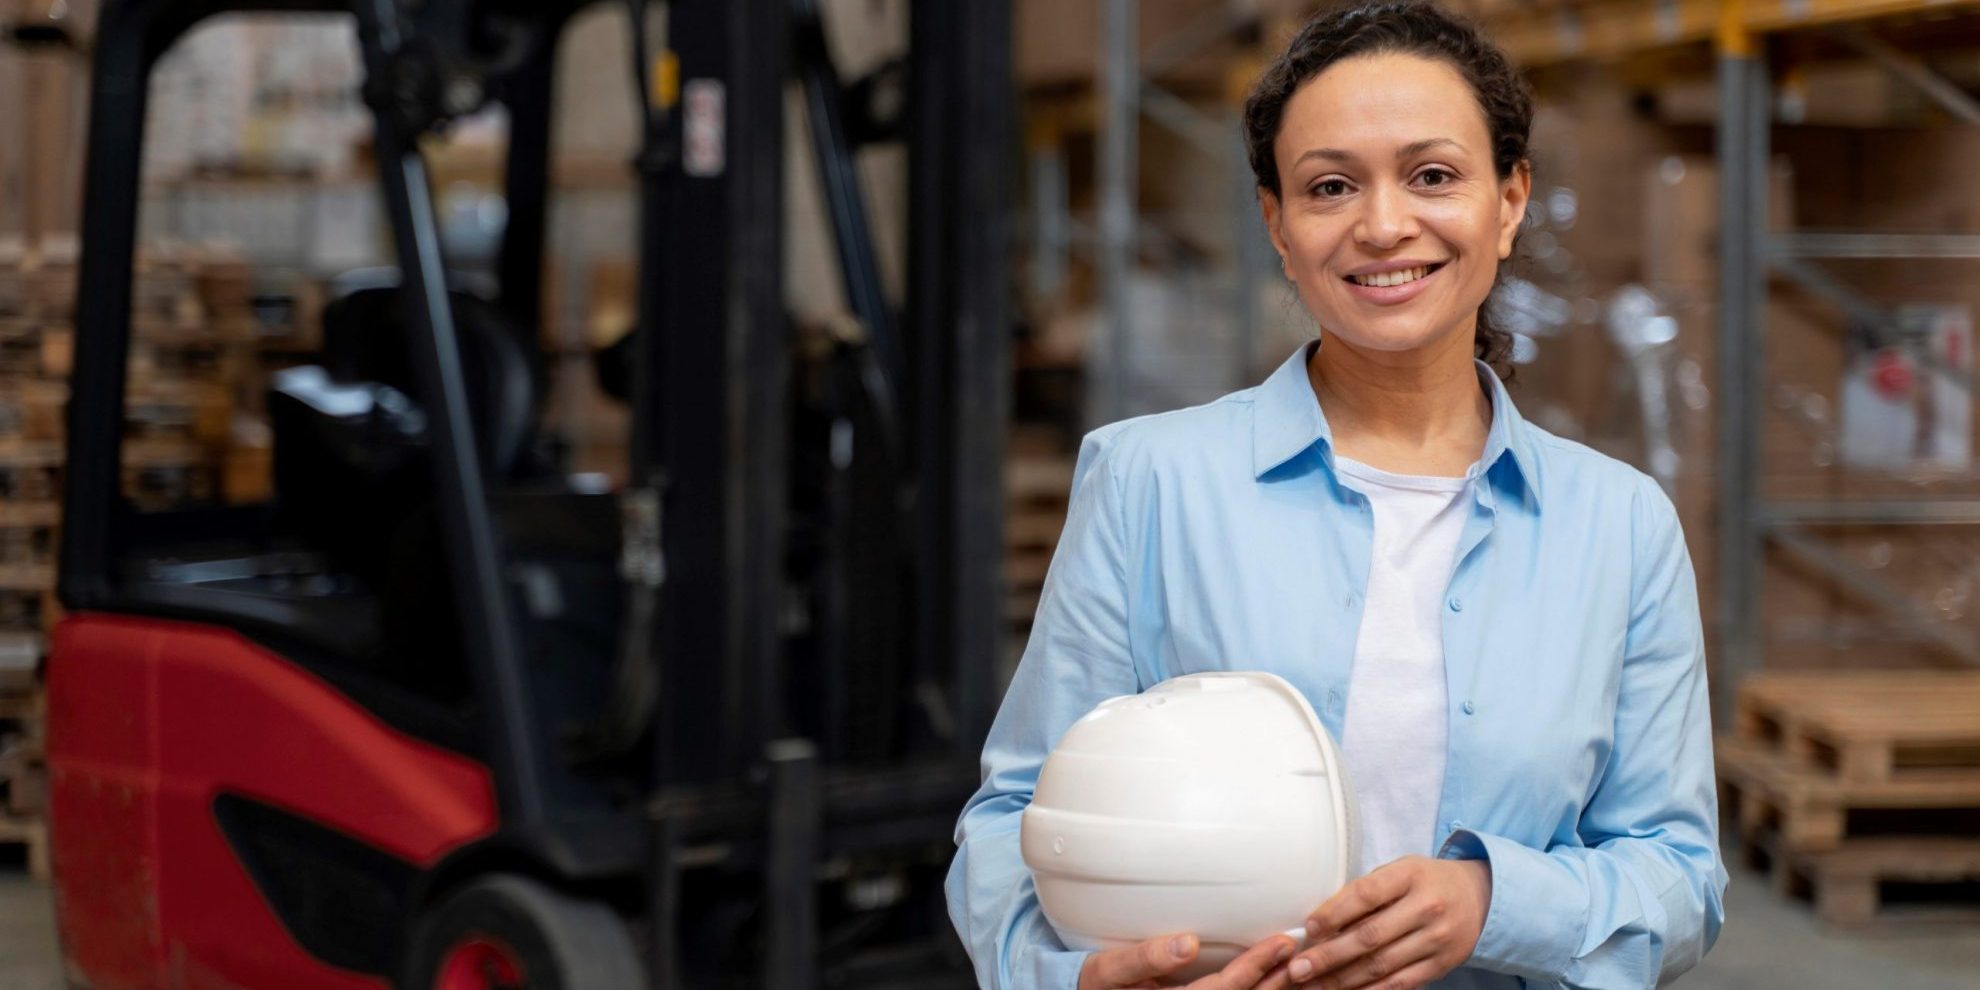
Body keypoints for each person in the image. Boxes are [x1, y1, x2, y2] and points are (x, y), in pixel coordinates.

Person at [947, 2, 1728, 988]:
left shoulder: (1619, 526)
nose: (1384, 225)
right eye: (1330, 186)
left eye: (1433, 175)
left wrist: (1496, 902)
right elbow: (1018, 822)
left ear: (1509, 200)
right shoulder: (1150, 483)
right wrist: (1072, 980)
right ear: (1278, 225)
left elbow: (1680, 876)